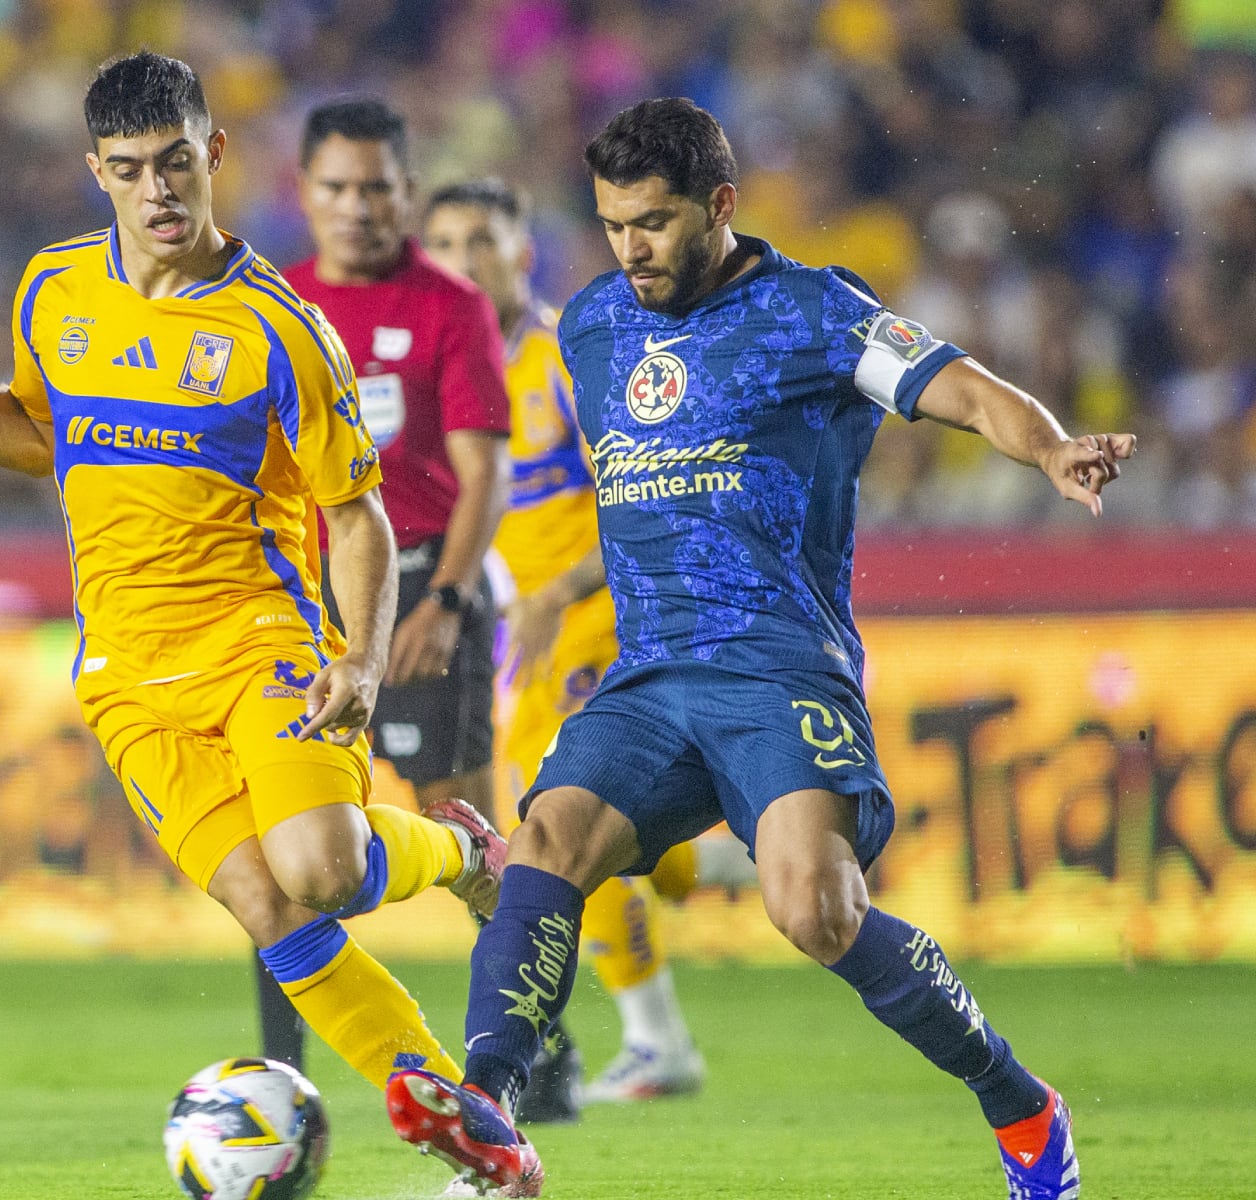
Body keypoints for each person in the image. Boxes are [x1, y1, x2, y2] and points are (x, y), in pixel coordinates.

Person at [386, 97, 1133, 1200]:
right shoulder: (592, 327)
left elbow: (969, 392)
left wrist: (1054, 447)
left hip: (778, 667)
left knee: (814, 911)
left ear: (720, 205)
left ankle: (1020, 1103)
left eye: (653, 222)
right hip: (648, 676)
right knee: (545, 841)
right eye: (612, 225)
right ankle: (490, 1111)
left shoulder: (816, 311)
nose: (631, 249)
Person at [0, 50, 506, 1098]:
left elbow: (356, 515)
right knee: (269, 906)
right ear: (97, 172)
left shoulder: (280, 329)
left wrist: (359, 658)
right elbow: (45, 439)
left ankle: (463, 854)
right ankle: (469, 1122)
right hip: (126, 674)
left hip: (258, 644)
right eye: (128, 169)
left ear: (213, 152)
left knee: (322, 870)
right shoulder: (52, 290)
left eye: (174, 162)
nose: (156, 191)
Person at [422, 179, 758, 1109]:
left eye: (481, 240)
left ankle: (658, 1044)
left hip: (601, 618)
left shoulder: (567, 362)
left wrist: (557, 593)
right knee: (619, 839)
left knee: (562, 821)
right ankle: (772, 851)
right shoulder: (450, 371)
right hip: (525, 634)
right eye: (442, 244)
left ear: (522, 254)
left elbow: (648, 488)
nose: (462, 261)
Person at [248, 97, 515, 1077]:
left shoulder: (450, 304)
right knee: (280, 836)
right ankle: (284, 1074)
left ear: (407, 191)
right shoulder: (271, 303)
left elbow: (483, 472)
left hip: (422, 586)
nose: (356, 206)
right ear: (304, 192)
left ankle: (525, 1055)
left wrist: (445, 598)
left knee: (463, 825)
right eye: (336, 187)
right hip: (298, 598)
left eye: (375, 187)